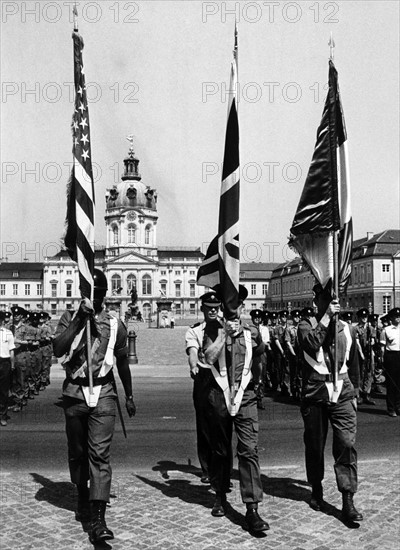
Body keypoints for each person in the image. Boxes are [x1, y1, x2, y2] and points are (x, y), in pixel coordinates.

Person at [53, 269, 137, 544]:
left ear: (104, 295)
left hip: (104, 393)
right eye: (89, 292)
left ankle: (99, 517)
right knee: (78, 452)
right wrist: (79, 320)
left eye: (98, 293)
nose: (94, 297)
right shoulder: (69, 317)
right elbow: (58, 348)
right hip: (75, 393)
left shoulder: (115, 325)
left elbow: (123, 361)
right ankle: (81, 492)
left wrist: (129, 395)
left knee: (100, 456)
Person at [203, 285, 269, 534]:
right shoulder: (211, 328)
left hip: (246, 395)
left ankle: (252, 508)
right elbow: (209, 357)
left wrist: (259, 381)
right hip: (220, 394)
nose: (235, 309)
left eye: (238, 305)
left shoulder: (251, 328)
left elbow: (260, 353)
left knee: (249, 450)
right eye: (230, 305)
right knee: (220, 450)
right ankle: (220, 494)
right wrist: (223, 335)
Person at [297, 283, 363, 523]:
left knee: (346, 443)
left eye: (334, 298)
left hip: (343, 390)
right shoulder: (306, 325)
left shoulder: (347, 328)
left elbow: (353, 362)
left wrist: (354, 391)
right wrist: (325, 319)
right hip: (316, 391)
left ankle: (348, 499)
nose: (331, 303)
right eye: (325, 299)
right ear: (317, 302)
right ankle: (316, 488)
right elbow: (312, 344)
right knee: (315, 445)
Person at [185, 291, 225, 484]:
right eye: (209, 308)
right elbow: (192, 352)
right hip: (203, 381)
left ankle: (222, 469)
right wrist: (193, 365)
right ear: (202, 309)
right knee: (204, 427)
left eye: (216, 308)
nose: (213, 311)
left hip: (222, 382)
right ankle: (207, 469)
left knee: (222, 427)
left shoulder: (225, 329)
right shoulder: (195, 331)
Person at [380, 307, 400, 417]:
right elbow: (382, 347)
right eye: (396, 316)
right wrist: (382, 360)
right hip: (391, 356)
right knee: (391, 384)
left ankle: (399, 406)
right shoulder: (386, 330)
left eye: (399, 316)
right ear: (391, 318)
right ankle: (391, 408)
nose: (398, 318)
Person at [354, 308, 376, 405]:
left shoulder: (370, 328)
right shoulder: (356, 328)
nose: (364, 319)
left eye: (366, 317)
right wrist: (362, 354)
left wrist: (370, 344)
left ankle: (367, 393)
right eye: (362, 317)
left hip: (369, 352)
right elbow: (357, 343)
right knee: (360, 373)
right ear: (359, 318)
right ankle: (358, 394)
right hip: (359, 353)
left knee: (369, 371)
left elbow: (373, 340)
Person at [249, 309, 267, 409]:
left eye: (259, 318)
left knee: (261, 375)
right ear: (252, 319)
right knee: (252, 375)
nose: (257, 319)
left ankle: (260, 397)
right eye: (255, 318)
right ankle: (252, 397)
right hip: (252, 354)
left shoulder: (264, 329)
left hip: (261, 353)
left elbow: (265, 342)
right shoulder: (249, 329)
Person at [0, 311, 15, 426]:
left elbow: (11, 351)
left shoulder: (8, 333)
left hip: (4, 363)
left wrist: (12, 365)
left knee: (4, 391)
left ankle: (3, 415)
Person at [284, 310, 301, 400]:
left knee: (301, 373)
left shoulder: (302, 327)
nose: (297, 318)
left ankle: (300, 390)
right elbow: (288, 342)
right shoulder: (289, 329)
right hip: (293, 351)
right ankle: (293, 391)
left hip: (301, 352)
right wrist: (293, 353)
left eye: (298, 317)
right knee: (293, 372)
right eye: (295, 317)